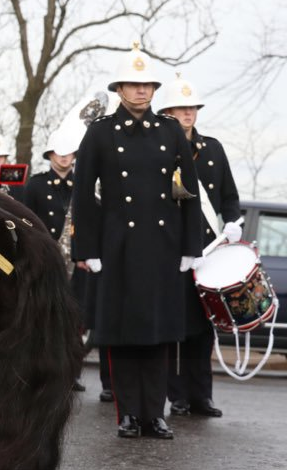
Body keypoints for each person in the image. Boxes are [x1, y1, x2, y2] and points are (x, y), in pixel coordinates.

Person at [72, 43, 203, 440]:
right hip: (118, 246)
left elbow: (189, 191)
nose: (141, 91)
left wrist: (190, 247)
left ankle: (155, 413)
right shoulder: (100, 133)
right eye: (133, 85)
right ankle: (129, 413)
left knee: (159, 333)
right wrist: (87, 250)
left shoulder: (169, 131)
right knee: (124, 334)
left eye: (147, 85)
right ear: (120, 89)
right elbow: (82, 194)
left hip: (163, 245)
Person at [156, 73, 241, 418]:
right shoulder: (160, 150)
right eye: (180, 108)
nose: (188, 114)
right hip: (173, 251)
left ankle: (201, 396)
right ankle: (177, 396)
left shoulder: (213, 149)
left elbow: (229, 195)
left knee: (204, 329)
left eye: (192, 108)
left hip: (208, 251)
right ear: (168, 113)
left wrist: (232, 222)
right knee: (177, 327)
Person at [22, 128, 85, 390]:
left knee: (75, 320)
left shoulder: (83, 184)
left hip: (78, 261)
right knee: (45, 319)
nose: (64, 157)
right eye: (59, 152)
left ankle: (71, 373)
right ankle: (44, 373)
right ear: (49, 154)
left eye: (69, 151)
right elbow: (26, 222)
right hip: (46, 261)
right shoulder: (36, 184)